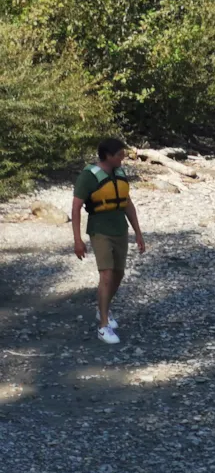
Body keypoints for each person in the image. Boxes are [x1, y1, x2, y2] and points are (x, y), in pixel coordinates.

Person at [72, 138, 146, 345]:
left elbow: (127, 203)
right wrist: (77, 240)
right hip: (99, 230)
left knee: (119, 273)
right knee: (106, 274)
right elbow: (76, 207)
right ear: (107, 156)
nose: (122, 158)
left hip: (119, 229)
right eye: (119, 155)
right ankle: (103, 325)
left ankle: (102, 309)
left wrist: (138, 233)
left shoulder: (120, 174)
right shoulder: (88, 177)